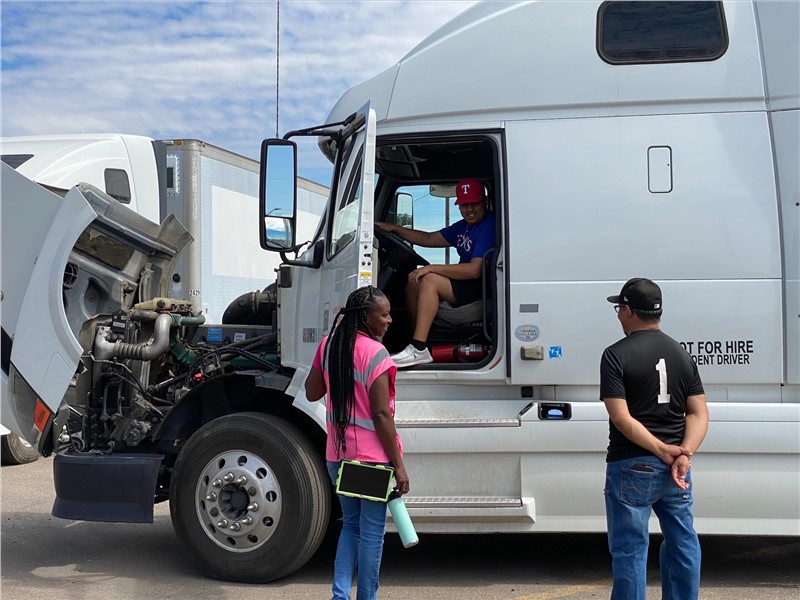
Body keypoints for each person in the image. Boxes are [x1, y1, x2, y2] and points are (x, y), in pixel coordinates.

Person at [600, 277, 709, 600]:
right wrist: (684, 452)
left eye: (619, 308)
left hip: (632, 463)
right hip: (677, 467)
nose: (618, 315)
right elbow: (699, 413)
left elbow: (621, 418)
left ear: (630, 311)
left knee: (631, 550)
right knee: (682, 541)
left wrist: (660, 449)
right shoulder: (681, 354)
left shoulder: (615, 355)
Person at [305, 285, 410, 600]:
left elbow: (312, 393)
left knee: (350, 526)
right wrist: (400, 467)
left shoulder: (328, 345)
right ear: (365, 317)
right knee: (371, 535)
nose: (389, 320)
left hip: (337, 456)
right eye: (384, 314)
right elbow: (380, 415)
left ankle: (340, 596)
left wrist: (328, 359)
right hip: (370, 461)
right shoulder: (376, 353)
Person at [375, 177, 496, 367]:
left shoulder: (489, 225)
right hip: (467, 284)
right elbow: (430, 238)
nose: (470, 209)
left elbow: (474, 270)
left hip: (479, 286)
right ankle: (418, 345)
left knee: (429, 279)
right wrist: (394, 229)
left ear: (485, 202)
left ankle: (418, 347)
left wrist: (431, 268)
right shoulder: (465, 226)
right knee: (414, 282)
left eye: (475, 203)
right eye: (464, 205)